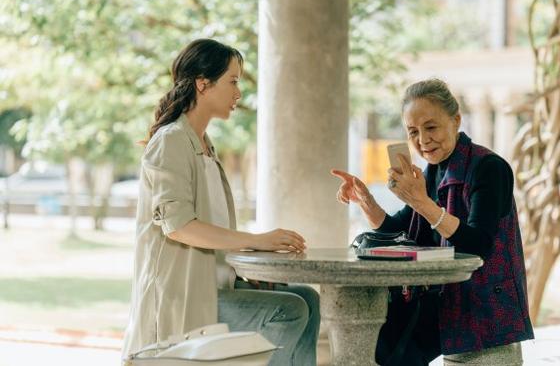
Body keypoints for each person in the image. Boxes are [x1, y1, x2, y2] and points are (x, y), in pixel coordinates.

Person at [122, 39, 320, 365]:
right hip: (184, 298)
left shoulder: (205, 148)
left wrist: (246, 263)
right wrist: (256, 240)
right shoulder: (171, 141)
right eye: (232, 81)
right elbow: (180, 226)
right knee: (289, 309)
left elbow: (213, 234)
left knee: (306, 297)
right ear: (203, 83)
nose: (238, 92)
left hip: (216, 286)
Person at [331, 79, 534, 365]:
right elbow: (401, 230)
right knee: (380, 345)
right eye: (413, 131)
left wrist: (422, 202)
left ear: (456, 120)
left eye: (431, 127)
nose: (423, 140)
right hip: (445, 299)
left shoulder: (489, 167)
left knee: (395, 352)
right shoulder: (433, 171)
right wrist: (366, 201)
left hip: (483, 304)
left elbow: (479, 245)